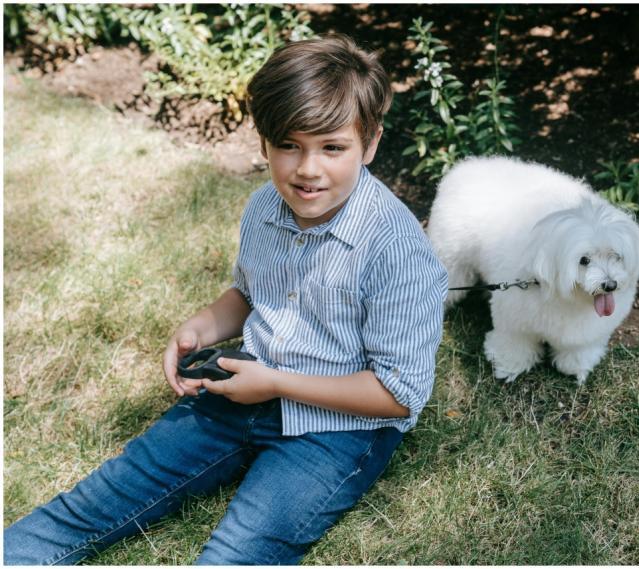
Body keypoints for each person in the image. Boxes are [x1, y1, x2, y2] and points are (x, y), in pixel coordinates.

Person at [4, 34, 448, 565]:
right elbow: (247, 292)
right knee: (93, 505)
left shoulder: (398, 251)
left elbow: (400, 394)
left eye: (332, 147)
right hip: (241, 388)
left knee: (234, 554)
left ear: (370, 143)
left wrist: (277, 384)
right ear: (263, 143)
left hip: (338, 430)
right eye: (289, 145)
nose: (308, 169)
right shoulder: (264, 206)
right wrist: (202, 327)